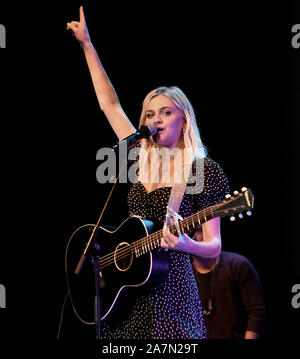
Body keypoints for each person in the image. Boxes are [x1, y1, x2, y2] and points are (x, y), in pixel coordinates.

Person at [66, 6, 231, 339]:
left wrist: (186, 244)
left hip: (172, 293)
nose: (156, 119)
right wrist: (87, 45)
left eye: (166, 112)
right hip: (126, 296)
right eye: (150, 113)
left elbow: (213, 246)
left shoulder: (203, 170)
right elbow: (109, 105)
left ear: (184, 120)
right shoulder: (141, 154)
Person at [192, 228, 265, 339]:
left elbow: (256, 312)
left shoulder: (238, 265)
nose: (193, 236)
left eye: (198, 230)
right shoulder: (185, 276)